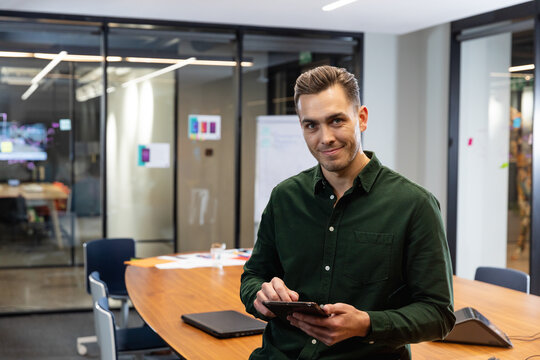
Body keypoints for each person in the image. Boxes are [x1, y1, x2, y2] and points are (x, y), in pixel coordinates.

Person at [240, 65, 455, 359]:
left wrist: (367, 324)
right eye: (311, 125)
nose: (325, 138)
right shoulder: (284, 198)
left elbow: (438, 315)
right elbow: (253, 275)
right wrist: (259, 296)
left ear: (361, 118)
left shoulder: (414, 205)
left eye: (336, 120)